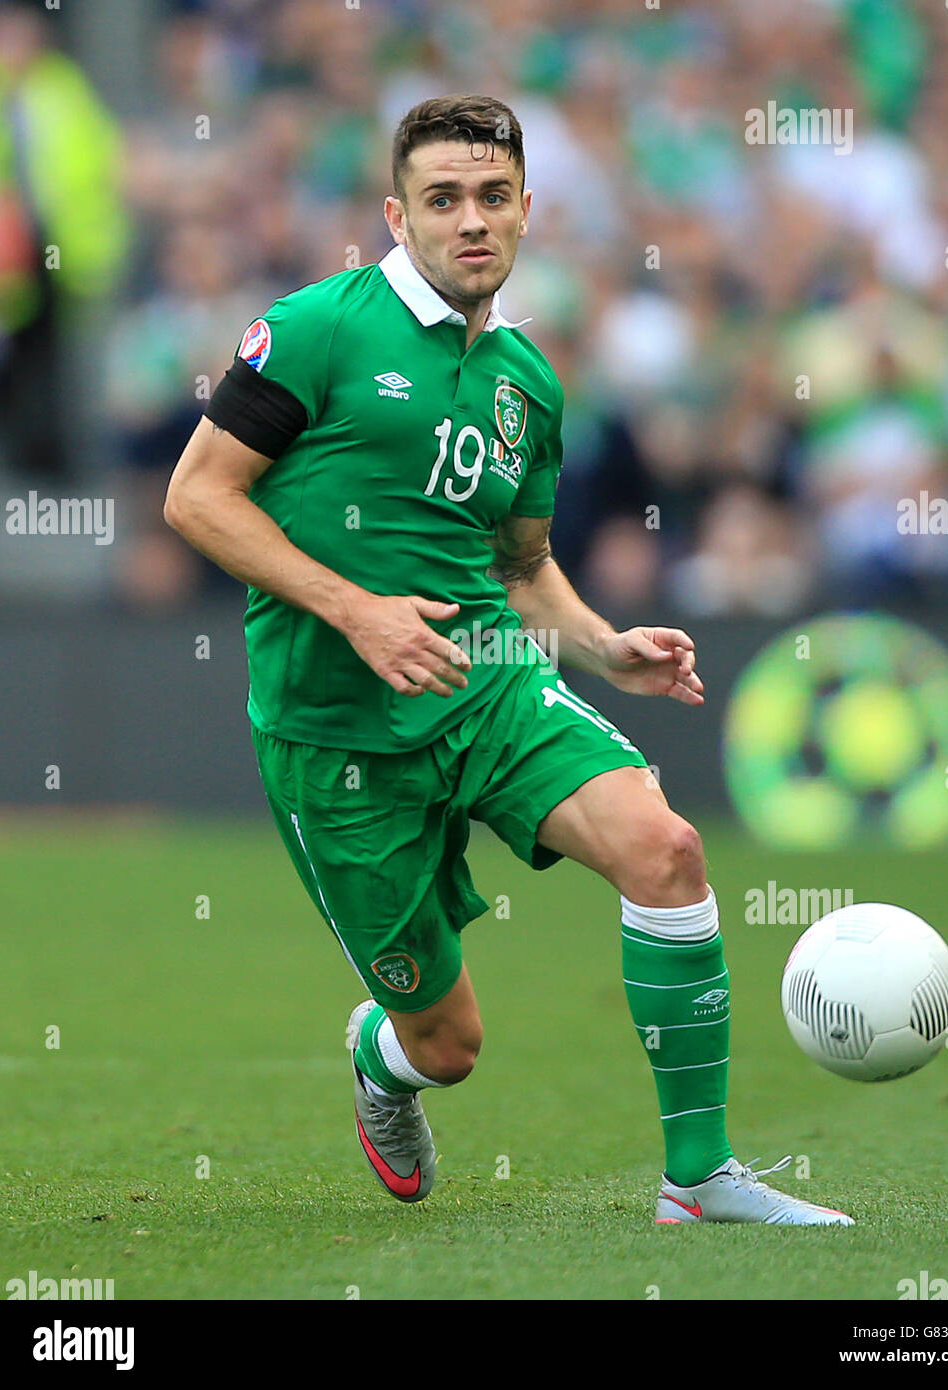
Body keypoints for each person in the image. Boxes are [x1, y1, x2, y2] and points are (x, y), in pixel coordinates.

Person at [164, 94, 852, 1227]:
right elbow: (196, 496)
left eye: (491, 197)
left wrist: (601, 646)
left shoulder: (529, 381)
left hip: (489, 680)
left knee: (666, 849)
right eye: (442, 199)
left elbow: (524, 569)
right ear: (399, 214)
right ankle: (386, 1067)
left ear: (527, 210)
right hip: (336, 737)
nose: (470, 220)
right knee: (452, 1044)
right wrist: (359, 612)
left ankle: (700, 1178)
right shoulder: (316, 328)